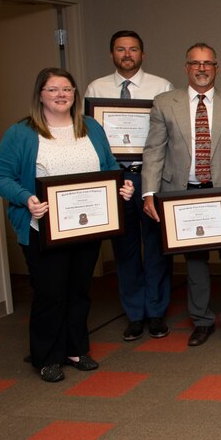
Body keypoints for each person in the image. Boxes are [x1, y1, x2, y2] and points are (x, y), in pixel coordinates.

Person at [0, 68, 135, 382]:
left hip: (87, 227)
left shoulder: (91, 127)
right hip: (43, 228)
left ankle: (75, 348)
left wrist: (122, 187)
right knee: (50, 293)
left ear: (75, 94)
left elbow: (108, 167)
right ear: (40, 94)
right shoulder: (22, 132)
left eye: (67, 89)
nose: (61, 95)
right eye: (53, 89)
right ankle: (47, 356)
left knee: (79, 290)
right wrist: (26, 197)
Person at [142, 43, 221, 347]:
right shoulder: (164, 103)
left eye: (208, 63)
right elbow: (154, 151)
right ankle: (201, 321)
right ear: (186, 67)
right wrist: (149, 192)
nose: (202, 69)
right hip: (182, 194)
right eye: (195, 63)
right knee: (195, 261)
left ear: (217, 68)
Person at [84, 30, 175, 342]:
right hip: (115, 178)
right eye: (121, 49)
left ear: (143, 54)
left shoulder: (161, 86)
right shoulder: (96, 88)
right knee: (124, 249)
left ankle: (156, 312)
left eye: (133, 49)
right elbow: (91, 136)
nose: (127, 54)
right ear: (112, 54)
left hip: (151, 176)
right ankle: (134, 314)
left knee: (156, 246)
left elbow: (169, 134)